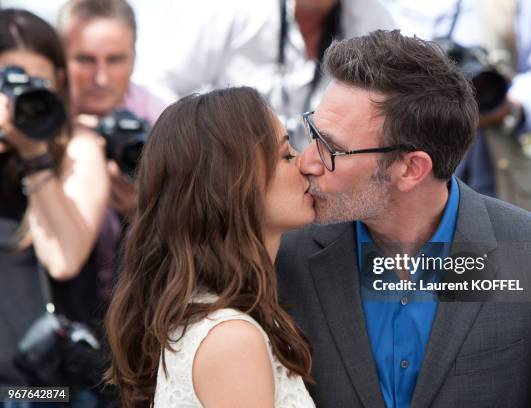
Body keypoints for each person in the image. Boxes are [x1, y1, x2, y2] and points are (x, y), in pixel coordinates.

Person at [276, 30, 531, 407]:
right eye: (311, 132)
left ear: (411, 169)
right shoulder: (286, 254)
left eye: (331, 148)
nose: (306, 161)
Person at [104, 88, 317, 407]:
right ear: (232, 185)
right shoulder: (231, 339)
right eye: (286, 155)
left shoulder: (214, 320)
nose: (305, 164)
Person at [0, 7, 109, 400]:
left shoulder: (77, 150)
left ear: (59, 81)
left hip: (47, 391)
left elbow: (64, 258)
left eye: (36, 82)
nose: (22, 96)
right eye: (9, 81)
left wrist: (35, 157)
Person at [381, 0, 531, 213]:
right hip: (396, 174)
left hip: (491, 170)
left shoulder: (508, 5)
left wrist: (510, 106)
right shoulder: (371, 8)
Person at [143, 0, 396, 144]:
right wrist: (206, 141)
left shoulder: (373, 19)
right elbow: (158, 84)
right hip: (233, 178)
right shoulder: (234, 10)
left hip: (325, 179)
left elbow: (394, 104)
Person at [58, 0, 166, 220]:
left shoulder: (164, 121)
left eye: (115, 60)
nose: (101, 78)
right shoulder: (33, 115)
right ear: (59, 57)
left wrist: (146, 212)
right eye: (85, 60)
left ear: (134, 58)